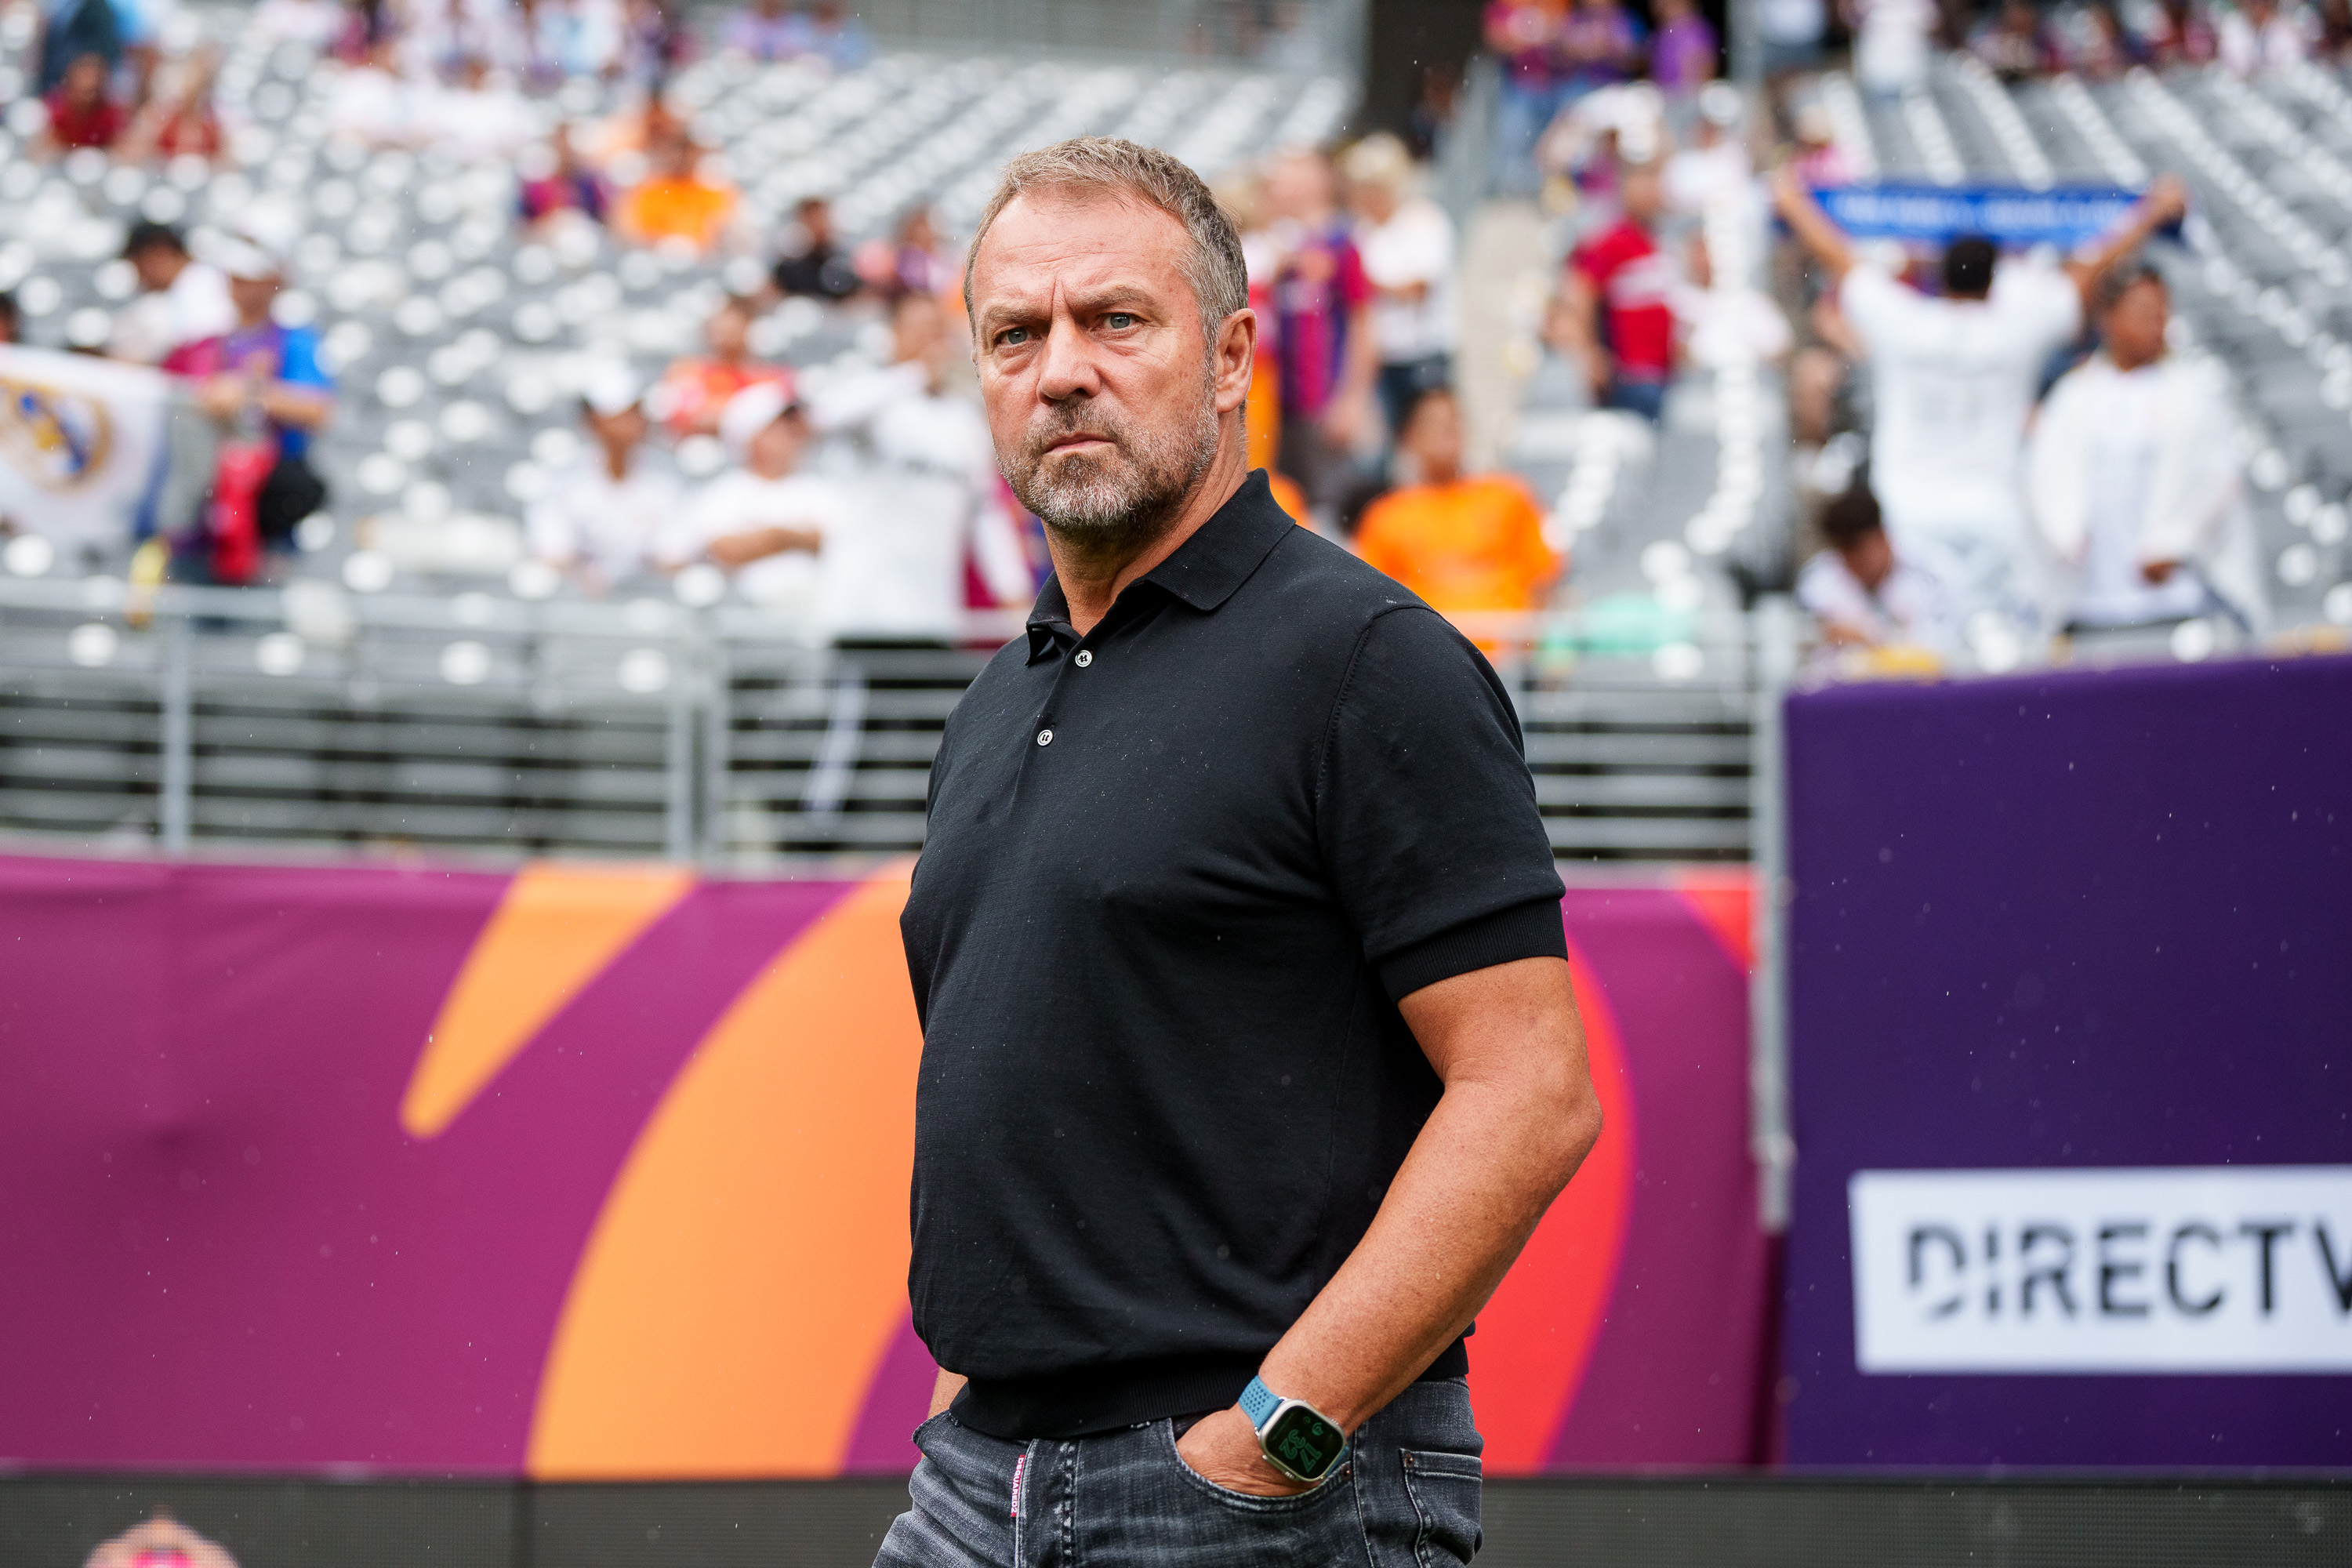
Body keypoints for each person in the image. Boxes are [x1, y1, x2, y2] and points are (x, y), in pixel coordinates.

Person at [882, 134, 1599, 1567]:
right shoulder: (997, 699)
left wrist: (1278, 1434)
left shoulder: (1369, 659)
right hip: (977, 1484)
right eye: (1016, 334)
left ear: (1229, 360)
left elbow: (1531, 1091)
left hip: (1250, 1493)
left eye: (1116, 320)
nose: (1061, 370)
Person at [1771, 165, 2189, 639]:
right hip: (1994, 517)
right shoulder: (2015, 328)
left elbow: (1839, 259)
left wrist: (1792, 202)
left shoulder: (1903, 322)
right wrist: (2149, 213)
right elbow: (2086, 272)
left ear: (1939, 278)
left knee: (1921, 657)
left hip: (1910, 516)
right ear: (1993, 283)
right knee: (1997, 657)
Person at [2027, 263, 2268, 634]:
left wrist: (2176, 543)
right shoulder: (2074, 396)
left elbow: (2218, 478)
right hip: (2092, 603)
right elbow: (2045, 476)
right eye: (2143, 313)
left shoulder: (2192, 395)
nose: (2156, 325)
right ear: (2109, 318)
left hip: (2177, 601)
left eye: (2161, 314)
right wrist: (2065, 535)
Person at [809, 291, 1034, 633]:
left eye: (936, 331)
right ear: (894, 334)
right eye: (919, 330)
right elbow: (821, 416)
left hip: (933, 615)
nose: (931, 342)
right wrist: (915, 373)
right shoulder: (873, 402)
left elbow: (985, 515)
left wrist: (1013, 593)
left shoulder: (965, 421)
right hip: (858, 613)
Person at [177, 239, 336, 581]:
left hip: (265, 517)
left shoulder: (295, 341)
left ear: (273, 281)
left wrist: (249, 392)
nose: (239, 286)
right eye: (235, 277)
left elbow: (318, 410)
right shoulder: (204, 343)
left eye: (249, 278)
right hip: (201, 512)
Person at [1353, 387, 1562, 626]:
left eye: (1453, 419)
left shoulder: (1509, 495)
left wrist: (1528, 641)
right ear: (1409, 437)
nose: (1447, 428)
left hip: (1508, 643)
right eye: (1433, 422)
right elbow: (1371, 598)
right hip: (1429, 644)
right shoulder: (1385, 517)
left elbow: (1544, 575)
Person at [662, 379, 847, 622]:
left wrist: (771, 539)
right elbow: (719, 551)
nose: (793, 434)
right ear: (750, 436)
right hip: (741, 624)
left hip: (816, 623)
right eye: (779, 425)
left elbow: (847, 547)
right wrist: (794, 538)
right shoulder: (722, 493)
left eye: (794, 425)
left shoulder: (824, 490)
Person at [1263, 147, 1377, 518]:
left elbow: (1363, 324)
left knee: (1330, 510)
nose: (1278, 184)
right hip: (1280, 403)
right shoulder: (1279, 245)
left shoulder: (1342, 243)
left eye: (1288, 174)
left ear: (1316, 180)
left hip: (1324, 402)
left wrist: (1353, 399)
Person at [1343, 133, 1457, 457]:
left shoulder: (1423, 221)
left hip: (1424, 353)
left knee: (1433, 445)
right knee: (1386, 453)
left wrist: (1363, 282)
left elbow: (1417, 289)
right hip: (1383, 357)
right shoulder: (1361, 232)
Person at [525, 366, 682, 595]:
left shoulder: (669, 482)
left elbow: (674, 559)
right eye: (619, 414)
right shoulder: (561, 481)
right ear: (592, 421)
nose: (630, 422)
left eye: (635, 412)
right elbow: (552, 555)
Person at [1561, 157, 1677, 420]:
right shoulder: (1614, 240)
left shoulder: (1658, 240)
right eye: (1642, 179)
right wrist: (1590, 353)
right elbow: (1578, 293)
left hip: (1662, 376)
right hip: (1631, 377)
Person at [1796, 476, 1955, 651]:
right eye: (1843, 553)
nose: (1852, 562)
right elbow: (1807, 644)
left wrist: (1870, 640)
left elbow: (1939, 648)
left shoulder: (1932, 572)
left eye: (1858, 549)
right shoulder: (1817, 580)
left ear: (1882, 537)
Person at [655, 295, 787, 439]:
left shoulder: (770, 377)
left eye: (731, 328)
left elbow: (771, 428)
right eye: (719, 327)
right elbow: (680, 416)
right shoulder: (684, 370)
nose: (723, 332)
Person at [108, 221, 236, 367]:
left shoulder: (201, 283)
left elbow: (205, 346)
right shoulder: (185, 285)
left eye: (137, 263)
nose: (139, 275)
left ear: (158, 253)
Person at [615, 123, 738, 252]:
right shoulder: (650, 191)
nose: (682, 158)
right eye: (677, 151)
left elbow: (722, 228)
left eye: (687, 151)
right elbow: (633, 231)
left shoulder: (712, 190)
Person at [772, 194, 860, 299]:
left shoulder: (845, 262)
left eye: (822, 219)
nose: (819, 226)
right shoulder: (788, 268)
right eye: (812, 220)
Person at [39, 51, 125, 153]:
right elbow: (43, 150)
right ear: (71, 78)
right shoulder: (53, 110)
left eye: (96, 77)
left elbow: (120, 150)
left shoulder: (112, 114)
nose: (91, 83)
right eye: (86, 76)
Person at [1649, 0, 1719, 103]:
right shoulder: (1662, 33)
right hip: (1666, 102)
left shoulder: (1697, 32)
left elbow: (1698, 82)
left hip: (1686, 104)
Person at [2220, 0, 2307, 74]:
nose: (2257, 6)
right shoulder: (2232, 25)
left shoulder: (2285, 30)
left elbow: (2293, 65)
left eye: (2261, 2)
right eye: (2253, 2)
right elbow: (2232, 64)